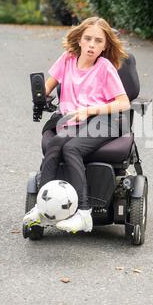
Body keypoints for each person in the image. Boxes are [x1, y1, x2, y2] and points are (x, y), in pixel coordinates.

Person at [24, 17, 130, 233]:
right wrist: (40, 96)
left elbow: (123, 102)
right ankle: (41, 208)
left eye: (98, 41)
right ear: (79, 40)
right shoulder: (67, 60)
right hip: (72, 121)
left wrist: (89, 111)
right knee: (54, 146)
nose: (92, 45)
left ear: (105, 46)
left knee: (72, 149)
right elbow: (47, 87)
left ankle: (83, 213)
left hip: (103, 121)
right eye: (88, 39)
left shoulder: (104, 67)